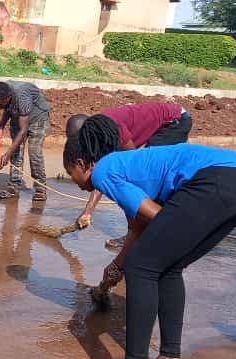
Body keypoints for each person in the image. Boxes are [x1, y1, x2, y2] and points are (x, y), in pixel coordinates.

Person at [62, 138, 236, 359]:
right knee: (169, 266)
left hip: (215, 180)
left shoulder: (103, 171)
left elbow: (157, 217)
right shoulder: (125, 165)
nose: (76, 183)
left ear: (81, 163)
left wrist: (130, 262)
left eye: (71, 174)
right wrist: (118, 263)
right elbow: (140, 226)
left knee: (140, 267)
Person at [66, 103, 192, 249]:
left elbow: (133, 165)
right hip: (169, 122)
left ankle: (147, 234)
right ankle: (145, 231)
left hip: (174, 121)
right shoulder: (99, 136)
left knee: (148, 178)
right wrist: (88, 212)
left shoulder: (112, 129)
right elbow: (102, 173)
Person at [0, 80, 51, 202]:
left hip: (38, 119)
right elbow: (7, 108)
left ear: (8, 97)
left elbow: (23, 131)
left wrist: (7, 154)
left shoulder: (22, 96)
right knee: (16, 152)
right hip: (19, 117)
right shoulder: (4, 90)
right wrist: (1, 126)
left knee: (34, 152)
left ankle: (40, 188)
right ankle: (14, 186)